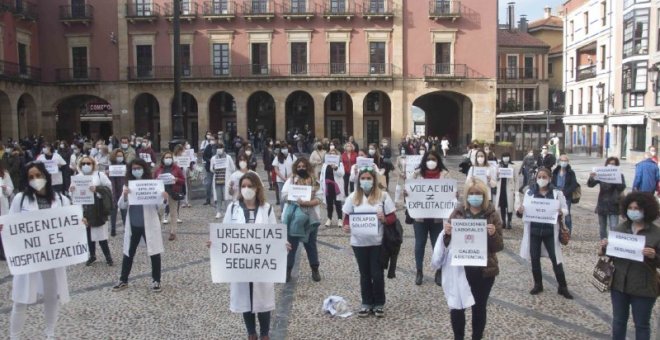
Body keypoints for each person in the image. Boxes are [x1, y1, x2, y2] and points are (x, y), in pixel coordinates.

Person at [211, 172, 289, 340]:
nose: (246, 189)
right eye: (243, 186)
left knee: (263, 299)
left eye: (250, 186)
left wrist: (283, 245)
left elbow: (274, 233)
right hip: (242, 262)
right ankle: (251, 333)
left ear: (257, 188)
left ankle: (265, 334)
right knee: (245, 298)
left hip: (261, 262)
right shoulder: (233, 208)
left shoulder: (266, 209)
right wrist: (215, 243)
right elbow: (225, 232)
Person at [4, 162, 72, 339]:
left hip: (51, 256)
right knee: (20, 299)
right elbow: (11, 224)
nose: (35, 180)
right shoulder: (20, 199)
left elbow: (69, 225)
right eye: (31, 177)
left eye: (38, 175)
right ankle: (15, 336)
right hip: (29, 256)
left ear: (45, 176)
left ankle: (50, 332)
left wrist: (80, 224)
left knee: (52, 294)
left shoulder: (61, 199)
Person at [434, 179, 503, 340]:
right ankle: (459, 337)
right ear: (466, 195)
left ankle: (476, 337)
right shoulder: (458, 212)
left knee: (479, 308)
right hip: (460, 269)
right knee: (457, 307)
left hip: (484, 270)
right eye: (471, 193)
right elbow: (446, 242)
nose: (474, 196)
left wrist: (493, 234)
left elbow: (498, 246)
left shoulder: (492, 214)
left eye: (478, 193)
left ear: (484, 195)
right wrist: (447, 233)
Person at [599, 192, 660, 340]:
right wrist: (604, 247)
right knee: (619, 322)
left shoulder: (656, 233)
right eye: (630, 207)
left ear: (646, 209)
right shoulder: (620, 229)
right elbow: (611, 255)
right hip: (619, 285)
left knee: (642, 325)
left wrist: (654, 256)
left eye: (637, 208)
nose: (633, 211)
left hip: (644, 287)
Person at [342, 166, 396, 318]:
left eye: (369, 178)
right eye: (363, 178)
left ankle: (379, 303)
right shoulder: (353, 197)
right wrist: (346, 226)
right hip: (358, 242)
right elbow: (347, 216)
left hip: (377, 242)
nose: (366, 181)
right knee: (364, 274)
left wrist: (384, 219)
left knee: (377, 274)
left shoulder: (383, 196)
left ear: (374, 180)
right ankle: (366, 302)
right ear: (359, 180)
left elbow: (392, 216)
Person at [517, 167, 573, 299]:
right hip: (534, 231)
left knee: (556, 259)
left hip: (550, 232)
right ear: (536, 178)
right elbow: (523, 212)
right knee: (534, 258)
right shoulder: (530, 193)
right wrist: (520, 210)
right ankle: (538, 284)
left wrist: (561, 212)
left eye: (544, 177)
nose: (541, 179)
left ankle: (562, 286)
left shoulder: (557, 193)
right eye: (539, 177)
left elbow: (566, 209)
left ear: (549, 178)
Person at [113, 158, 168, 293]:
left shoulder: (153, 185)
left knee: (154, 252)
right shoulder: (128, 186)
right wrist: (125, 196)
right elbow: (121, 205)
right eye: (134, 168)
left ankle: (156, 280)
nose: (136, 170)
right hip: (133, 224)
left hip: (148, 223)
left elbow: (160, 206)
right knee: (128, 252)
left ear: (144, 169)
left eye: (139, 168)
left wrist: (164, 198)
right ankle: (123, 279)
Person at [408, 150, 449, 286]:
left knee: (437, 246)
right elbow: (408, 189)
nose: (431, 162)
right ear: (424, 161)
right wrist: (406, 193)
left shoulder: (444, 175)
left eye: (434, 159)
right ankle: (419, 271)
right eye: (428, 159)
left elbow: (451, 193)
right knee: (419, 245)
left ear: (438, 161)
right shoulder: (417, 174)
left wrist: (454, 194)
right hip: (420, 217)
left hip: (437, 218)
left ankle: (439, 270)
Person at [282, 157, 323, 283]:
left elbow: (320, 197)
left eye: (303, 166)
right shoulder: (292, 180)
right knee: (291, 245)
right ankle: (288, 270)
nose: (301, 168)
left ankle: (315, 268)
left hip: (311, 217)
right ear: (295, 168)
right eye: (299, 167)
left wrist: (309, 202)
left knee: (310, 244)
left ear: (308, 167)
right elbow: (283, 195)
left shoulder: (314, 181)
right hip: (294, 217)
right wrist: (295, 199)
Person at [70, 156, 114, 266]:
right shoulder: (78, 177)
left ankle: (108, 256)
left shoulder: (100, 175)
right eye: (83, 163)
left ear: (93, 164)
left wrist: (97, 189)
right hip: (85, 208)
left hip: (98, 208)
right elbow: (72, 194)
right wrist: (71, 191)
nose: (86, 166)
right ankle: (92, 255)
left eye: (88, 163)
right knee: (88, 234)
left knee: (101, 236)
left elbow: (109, 188)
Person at [587, 157, 626, 240]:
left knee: (614, 227)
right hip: (602, 203)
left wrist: (616, 179)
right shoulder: (602, 174)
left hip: (614, 203)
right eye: (610, 164)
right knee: (602, 227)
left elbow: (621, 187)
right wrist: (591, 177)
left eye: (613, 164)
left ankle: (613, 244)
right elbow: (591, 185)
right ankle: (603, 244)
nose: (611, 165)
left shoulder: (620, 175)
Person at [154, 151, 186, 240]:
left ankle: (173, 232)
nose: (168, 159)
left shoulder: (177, 168)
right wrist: (156, 180)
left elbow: (183, 180)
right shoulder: (158, 169)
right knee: (159, 212)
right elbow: (153, 181)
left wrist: (177, 179)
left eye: (169, 157)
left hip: (173, 192)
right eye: (166, 157)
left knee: (173, 213)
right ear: (163, 159)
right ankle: (157, 231)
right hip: (161, 194)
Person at [551, 154, 578, 233]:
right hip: (556, 194)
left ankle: (568, 231)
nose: (563, 162)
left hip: (566, 195)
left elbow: (574, 184)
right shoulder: (555, 171)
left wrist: (566, 192)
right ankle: (556, 230)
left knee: (567, 214)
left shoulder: (571, 172)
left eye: (565, 161)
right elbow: (552, 182)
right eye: (562, 160)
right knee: (556, 212)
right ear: (559, 162)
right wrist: (554, 189)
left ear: (568, 162)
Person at [320, 146, 345, 227]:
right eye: (330, 154)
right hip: (328, 186)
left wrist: (336, 168)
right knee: (329, 203)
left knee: (338, 203)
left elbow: (342, 174)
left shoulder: (340, 164)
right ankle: (329, 218)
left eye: (334, 154)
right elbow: (322, 176)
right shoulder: (325, 165)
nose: (332, 155)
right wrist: (321, 186)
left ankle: (340, 219)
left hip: (336, 186)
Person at [210, 143, 236, 219]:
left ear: (223, 148)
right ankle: (218, 212)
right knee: (218, 197)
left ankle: (227, 211)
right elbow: (211, 169)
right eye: (217, 148)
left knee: (226, 197)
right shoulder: (213, 158)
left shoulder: (228, 157)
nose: (219, 149)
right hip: (217, 180)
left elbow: (233, 168)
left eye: (220, 147)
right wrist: (214, 168)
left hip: (226, 179)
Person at [495, 152, 518, 229]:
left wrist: (516, 190)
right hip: (501, 189)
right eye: (504, 156)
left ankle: (509, 221)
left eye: (507, 156)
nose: (506, 158)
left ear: (509, 157)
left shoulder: (513, 166)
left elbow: (516, 180)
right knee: (502, 206)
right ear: (502, 157)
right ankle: (503, 221)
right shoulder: (498, 166)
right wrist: (497, 175)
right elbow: (496, 178)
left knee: (510, 206)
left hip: (510, 189)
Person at [109, 148, 127, 237]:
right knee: (113, 210)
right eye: (118, 156)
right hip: (114, 189)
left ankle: (126, 227)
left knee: (124, 209)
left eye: (121, 156)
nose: (120, 157)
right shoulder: (110, 167)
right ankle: (113, 228)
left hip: (123, 189)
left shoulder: (126, 166)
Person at [0, 159, 14, 261]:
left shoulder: (4, 174)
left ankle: (4, 252)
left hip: (2, 204)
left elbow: (10, 190)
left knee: (2, 229)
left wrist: (5, 188)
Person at [202, 135, 218, 205]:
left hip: (218, 168)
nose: (212, 140)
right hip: (209, 168)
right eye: (210, 139)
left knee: (217, 184)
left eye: (213, 139)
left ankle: (217, 198)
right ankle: (208, 199)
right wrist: (209, 160)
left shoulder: (218, 147)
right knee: (209, 184)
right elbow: (204, 156)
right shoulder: (208, 147)